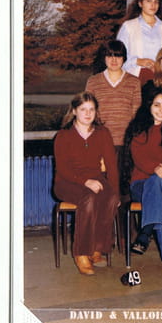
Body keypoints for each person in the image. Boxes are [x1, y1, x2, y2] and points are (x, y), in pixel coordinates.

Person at [53, 92, 119, 276]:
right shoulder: (63, 135)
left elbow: (111, 166)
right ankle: (81, 252)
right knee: (88, 198)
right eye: (83, 109)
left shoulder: (102, 133)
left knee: (111, 198)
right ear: (74, 111)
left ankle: (97, 247)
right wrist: (85, 181)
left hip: (95, 179)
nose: (88, 114)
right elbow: (62, 169)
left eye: (91, 109)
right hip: (66, 182)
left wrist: (116, 191)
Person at [121, 88, 162, 273]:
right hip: (140, 185)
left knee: (160, 182)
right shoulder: (138, 129)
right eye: (157, 105)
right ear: (149, 106)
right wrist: (157, 169)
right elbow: (138, 159)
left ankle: (146, 231)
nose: (161, 110)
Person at [84, 40, 141, 149]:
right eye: (110, 55)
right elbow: (88, 113)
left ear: (124, 58)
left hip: (126, 142)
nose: (114, 60)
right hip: (100, 141)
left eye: (118, 56)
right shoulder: (93, 81)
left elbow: (136, 114)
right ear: (104, 58)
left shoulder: (134, 82)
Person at [117, 0, 162, 84]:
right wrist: (138, 61)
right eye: (148, 1)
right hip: (135, 76)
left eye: (156, 1)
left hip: (161, 76)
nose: (153, 5)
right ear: (140, 3)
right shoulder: (129, 26)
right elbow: (118, 55)